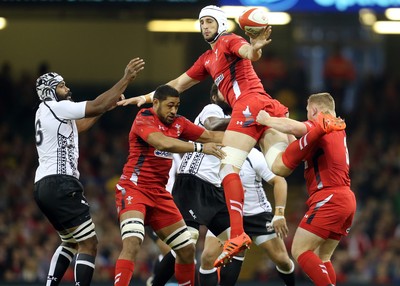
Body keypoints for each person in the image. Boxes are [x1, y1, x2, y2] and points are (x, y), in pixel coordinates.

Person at [118, 5, 301, 267]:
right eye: (201, 22)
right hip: (263, 106)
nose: (204, 26)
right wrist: (147, 97)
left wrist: (255, 47)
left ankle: (237, 235)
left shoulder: (228, 40)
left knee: (228, 169)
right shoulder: (207, 58)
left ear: (220, 24)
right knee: (279, 166)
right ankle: (311, 132)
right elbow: (178, 84)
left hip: (248, 105)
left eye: (209, 21)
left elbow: (247, 52)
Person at [148, 84, 294, 286]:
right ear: (215, 95)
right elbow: (212, 124)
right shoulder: (213, 109)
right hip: (192, 182)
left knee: (237, 244)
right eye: (225, 92)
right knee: (186, 243)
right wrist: (243, 120)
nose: (231, 96)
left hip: (215, 191)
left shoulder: (240, 132)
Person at [33, 57, 145, 286]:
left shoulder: (43, 112)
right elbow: (95, 105)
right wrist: (126, 79)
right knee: (89, 244)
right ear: (50, 91)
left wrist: (106, 107)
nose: (67, 88)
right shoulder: (57, 106)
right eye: (62, 86)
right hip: (60, 183)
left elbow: (80, 125)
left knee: (70, 242)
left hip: (43, 186)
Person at [113, 84, 225, 286]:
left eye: (177, 106)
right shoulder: (144, 117)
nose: (174, 111)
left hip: (160, 195)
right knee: (133, 241)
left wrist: (249, 134)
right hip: (134, 188)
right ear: (156, 103)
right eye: (170, 106)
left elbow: (212, 136)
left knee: (187, 249)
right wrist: (200, 148)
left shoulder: (179, 123)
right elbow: (161, 143)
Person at [256, 92, 356, 286]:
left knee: (299, 250)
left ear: (314, 110)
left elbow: (297, 127)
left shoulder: (321, 123)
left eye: (309, 112)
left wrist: (267, 119)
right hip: (346, 199)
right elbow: (301, 141)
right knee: (323, 257)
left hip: (329, 196)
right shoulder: (337, 131)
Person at [200, 147, 295, 286]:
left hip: (257, 214)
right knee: (208, 257)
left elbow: (279, 181)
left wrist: (279, 214)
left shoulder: (252, 155)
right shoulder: (213, 154)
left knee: (283, 261)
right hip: (227, 216)